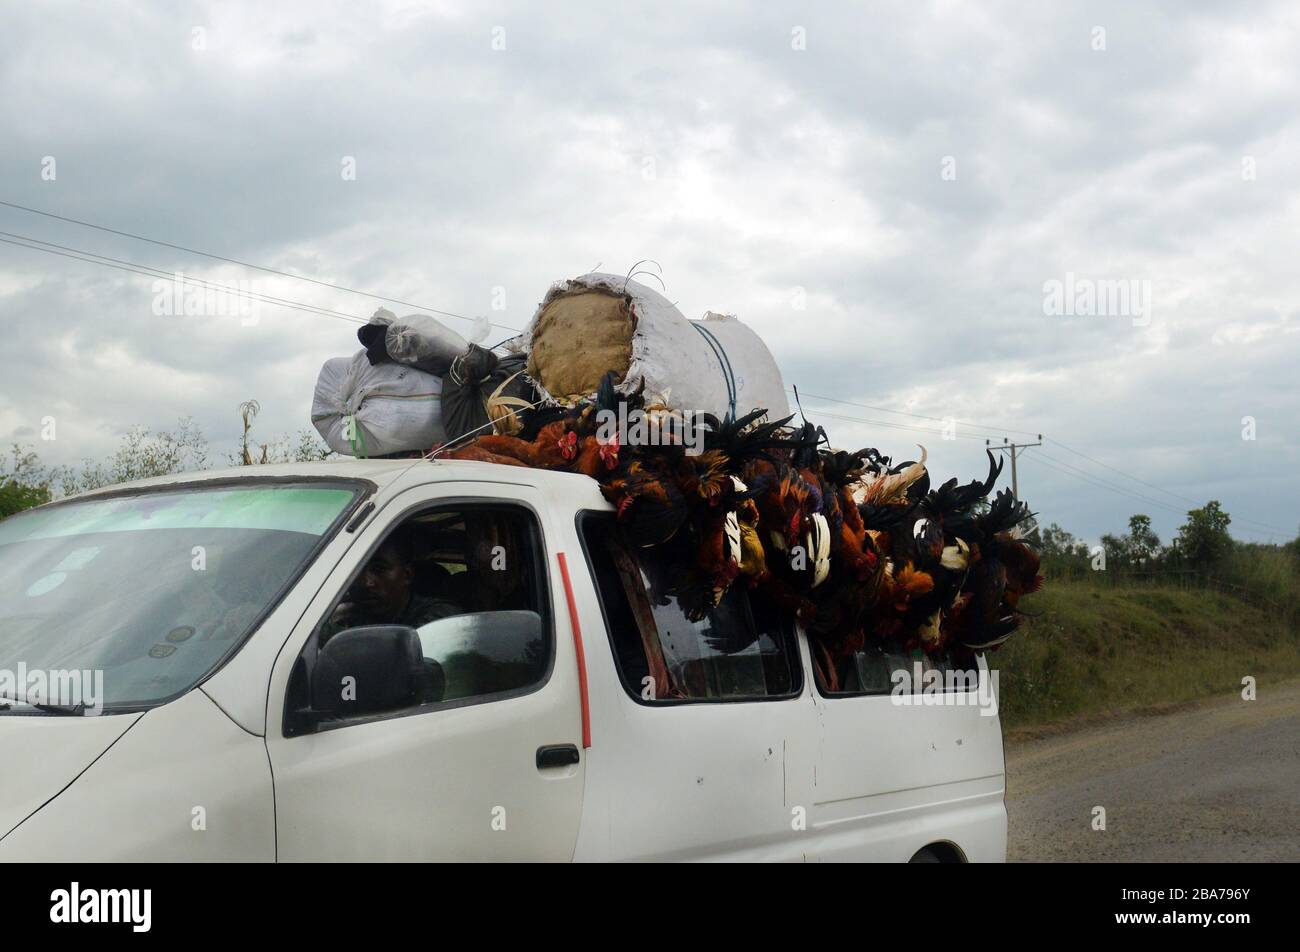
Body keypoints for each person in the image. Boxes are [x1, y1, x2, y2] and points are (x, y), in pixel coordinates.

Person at [320, 526, 461, 644]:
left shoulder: (441, 616)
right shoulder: (352, 612)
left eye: (379, 569)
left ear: (407, 575)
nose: (366, 582)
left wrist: (321, 631)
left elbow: (394, 653)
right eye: (356, 571)